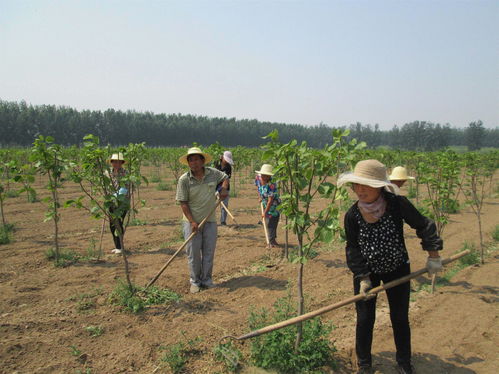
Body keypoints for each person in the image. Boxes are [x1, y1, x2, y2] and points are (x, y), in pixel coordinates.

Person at [337, 159, 443, 374]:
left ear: (378, 186)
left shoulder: (396, 204)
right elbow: (353, 249)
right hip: (367, 271)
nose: (359, 190)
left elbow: (424, 225)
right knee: (365, 318)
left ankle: (404, 363)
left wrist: (433, 256)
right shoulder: (352, 215)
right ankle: (364, 365)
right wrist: (363, 277)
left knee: (400, 317)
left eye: (365, 185)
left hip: (397, 268)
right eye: (356, 185)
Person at [176, 147, 229, 293]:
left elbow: (225, 178)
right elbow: (183, 203)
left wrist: (224, 189)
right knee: (193, 254)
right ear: (188, 163)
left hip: (210, 221)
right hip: (191, 223)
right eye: (191, 160)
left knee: (208, 252)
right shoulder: (184, 180)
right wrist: (192, 221)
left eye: (196, 159)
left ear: (202, 161)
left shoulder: (213, 173)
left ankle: (206, 280)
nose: (194, 163)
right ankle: (195, 282)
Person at [105, 153, 130, 254]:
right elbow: (105, 185)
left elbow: (125, 188)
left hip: (122, 203)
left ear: (122, 163)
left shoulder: (125, 173)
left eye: (119, 162)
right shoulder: (107, 173)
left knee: (118, 223)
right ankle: (117, 246)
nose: (116, 163)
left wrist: (116, 197)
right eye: (114, 161)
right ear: (111, 162)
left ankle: (120, 247)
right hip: (110, 202)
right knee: (111, 225)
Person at [255, 164, 281, 248]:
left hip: (273, 205)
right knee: (267, 222)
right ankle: (271, 240)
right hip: (265, 202)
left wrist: (265, 212)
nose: (263, 177)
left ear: (269, 176)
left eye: (266, 176)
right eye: (262, 175)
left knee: (272, 222)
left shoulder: (271, 185)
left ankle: (271, 241)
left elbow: (270, 201)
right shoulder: (258, 178)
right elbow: (258, 187)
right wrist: (260, 196)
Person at [214, 151, 234, 225]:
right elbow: (213, 177)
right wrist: (217, 190)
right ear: (222, 158)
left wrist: (222, 189)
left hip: (225, 188)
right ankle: (210, 220)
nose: (226, 162)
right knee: (211, 204)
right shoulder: (216, 164)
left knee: (224, 205)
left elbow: (227, 179)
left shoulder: (228, 167)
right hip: (215, 187)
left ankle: (223, 221)